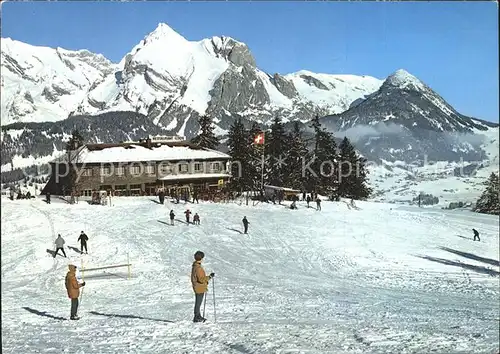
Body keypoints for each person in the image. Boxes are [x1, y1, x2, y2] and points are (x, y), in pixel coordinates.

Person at [191, 251, 214, 323]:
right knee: (198, 303)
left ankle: (198, 316)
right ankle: (196, 317)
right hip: (199, 287)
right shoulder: (198, 268)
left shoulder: (195, 266)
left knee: (198, 302)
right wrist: (209, 277)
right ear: (201, 258)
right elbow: (201, 279)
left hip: (197, 287)